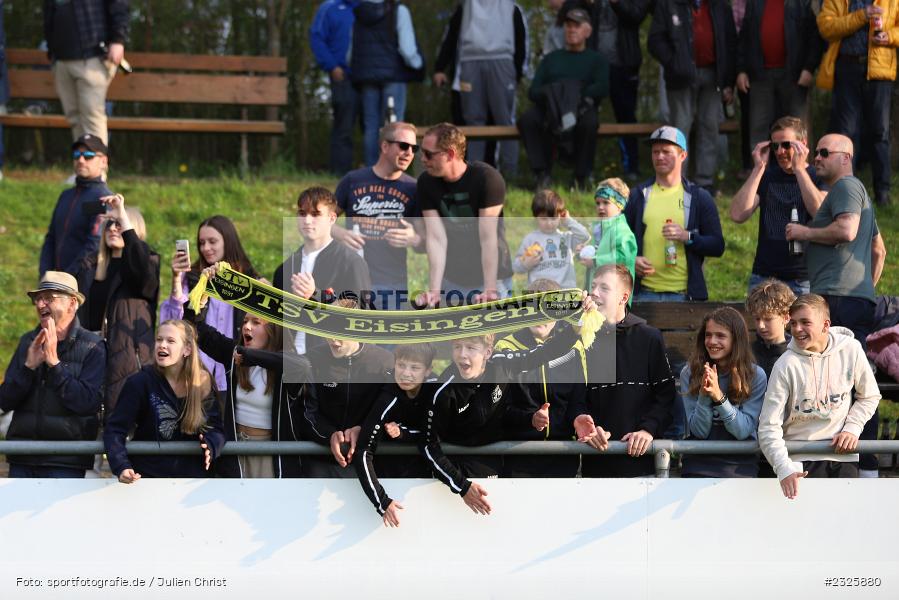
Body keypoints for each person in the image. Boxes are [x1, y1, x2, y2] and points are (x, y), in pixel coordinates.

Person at [423, 296, 595, 514]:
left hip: (494, 465)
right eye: (457, 347)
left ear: (487, 352)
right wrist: (462, 486)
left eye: (470, 347)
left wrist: (576, 323)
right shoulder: (442, 391)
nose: (462, 354)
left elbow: (543, 353)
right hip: (455, 475)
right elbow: (428, 446)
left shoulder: (502, 364)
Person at [785, 132, 886, 476]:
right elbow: (879, 250)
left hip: (838, 299)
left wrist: (804, 233)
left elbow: (846, 231)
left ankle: (859, 467)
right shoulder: (852, 192)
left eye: (824, 152)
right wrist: (864, 288)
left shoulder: (846, 185)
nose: (817, 157)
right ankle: (863, 467)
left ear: (846, 157)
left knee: (845, 382)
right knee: (852, 381)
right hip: (849, 298)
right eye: (816, 152)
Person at [184, 273, 311, 478]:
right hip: (235, 452)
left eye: (255, 322)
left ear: (273, 329)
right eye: (245, 321)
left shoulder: (282, 363)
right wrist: (204, 292)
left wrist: (251, 356)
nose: (246, 326)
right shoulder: (235, 354)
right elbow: (196, 330)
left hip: (272, 456)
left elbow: (302, 365)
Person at [758, 294, 880, 499]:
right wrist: (783, 467)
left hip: (842, 456)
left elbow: (870, 396)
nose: (797, 329)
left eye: (805, 322)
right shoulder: (785, 365)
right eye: (793, 323)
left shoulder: (851, 349)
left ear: (825, 325)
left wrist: (852, 427)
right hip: (798, 461)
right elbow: (768, 426)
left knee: (843, 518)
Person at [572, 264, 676, 477]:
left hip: (642, 465)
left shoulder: (649, 337)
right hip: (596, 464)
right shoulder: (580, 337)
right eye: (593, 286)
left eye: (604, 288)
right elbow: (574, 397)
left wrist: (648, 429)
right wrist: (586, 426)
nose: (595, 293)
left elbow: (666, 395)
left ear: (623, 297)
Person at [0, 272, 105, 477]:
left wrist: (55, 365)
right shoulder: (28, 341)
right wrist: (28, 368)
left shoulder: (93, 346)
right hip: (23, 457)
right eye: (38, 299)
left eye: (49, 298)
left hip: (67, 460)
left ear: (72, 303)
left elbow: (88, 403)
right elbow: (4, 400)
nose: (40, 305)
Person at [104, 320, 225, 481]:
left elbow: (216, 428)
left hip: (192, 484)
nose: (162, 345)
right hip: (147, 479)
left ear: (187, 349)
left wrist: (212, 444)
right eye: (159, 339)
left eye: (170, 341)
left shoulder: (202, 382)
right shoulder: (139, 382)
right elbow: (115, 429)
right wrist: (121, 465)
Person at [73, 193, 159, 415]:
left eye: (119, 224)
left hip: (128, 358)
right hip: (90, 353)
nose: (112, 228)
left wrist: (122, 214)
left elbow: (143, 275)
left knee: (121, 420)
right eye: (110, 223)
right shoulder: (90, 266)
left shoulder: (146, 264)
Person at [496, 279, 588, 478]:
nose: (540, 317)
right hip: (518, 454)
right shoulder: (505, 347)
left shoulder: (575, 346)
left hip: (563, 455)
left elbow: (577, 400)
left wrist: (579, 418)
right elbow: (500, 408)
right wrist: (530, 419)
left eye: (548, 311)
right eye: (534, 309)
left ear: (560, 313)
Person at [160, 215, 261, 397]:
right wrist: (176, 279)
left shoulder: (249, 281)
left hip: (235, 369)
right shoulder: (193, 278)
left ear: (228, 241)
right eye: (201, 243)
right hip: (196, 373)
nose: (205, 248)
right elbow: (175, 324)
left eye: (212, 241)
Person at [624, 126, 725, 302]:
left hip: (685, 295)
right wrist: (631, 261)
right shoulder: (637, 195)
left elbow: (717, 246)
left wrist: (688, 236)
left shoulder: (699, 197)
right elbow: (618, 240)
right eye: (655, 152)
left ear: (683, 155)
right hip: (642, 293)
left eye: (666, 151)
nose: (660, 156)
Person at [417, 123, 513, 306]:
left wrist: (490, 289)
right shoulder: (425, 182)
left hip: (493, 278)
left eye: (429, 154)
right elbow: (436, 238)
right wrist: (434, 290)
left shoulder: (487, 179)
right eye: (422, 152)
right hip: (453, 279)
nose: (422, 159)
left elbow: (488, 239)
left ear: (450, 154)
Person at [729, 116, 826, 296]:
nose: (780, 151)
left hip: (803, 279)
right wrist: (758, 169)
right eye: (775, 146)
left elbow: (820, 213)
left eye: (786, 145)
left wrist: (799, 169)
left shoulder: (817, 176)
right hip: (764, 277)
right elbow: (737, 214)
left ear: (803, 144)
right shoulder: (767, 176)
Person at [333, 121, 424, 310]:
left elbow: (429, 241)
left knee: (388, 332)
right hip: (351, 281)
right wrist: (340, 233)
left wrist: (414, 238)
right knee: (347, 331)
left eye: (414, 148)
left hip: (392, 285)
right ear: (385, 146)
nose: (409, 153)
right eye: (403, 146)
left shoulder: (414, 188)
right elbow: (321, 221)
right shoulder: (353, 180)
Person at [648, 0, 737, 195]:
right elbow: (655, 41)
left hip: (713, 75)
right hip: (680, 77)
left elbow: (730, 43)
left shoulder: (720, 6)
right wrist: (674, 63)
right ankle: (676, 182)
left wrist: (728, 81)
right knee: (679, 128)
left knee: (709, 126)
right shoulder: (668, 4)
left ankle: (705, 182)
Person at [432, 0, 528, 176]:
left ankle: (510, 172)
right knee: (473, 120)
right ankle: (473, 172)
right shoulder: (465, 7)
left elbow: (521, 40)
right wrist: (440, 67)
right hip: (470, 62)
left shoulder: (511, 8)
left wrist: (518, 73)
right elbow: (451, 36)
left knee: (504, 119)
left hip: (502, 61)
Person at [817, 0, 898, 206]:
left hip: (879, 72)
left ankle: (883, 193)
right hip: (846, 68)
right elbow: (826, 27)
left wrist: (890, 36)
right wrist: (862, 15)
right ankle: (846, 191)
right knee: (846, 133)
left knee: (880, 132)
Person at [518, 7, 609, 190]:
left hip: (581, 108)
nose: (571, 29)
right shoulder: (551, 59)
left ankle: (580, 177)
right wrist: (553, 95)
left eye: (577, 25)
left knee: (590, 123)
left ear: (588, 31)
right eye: (568, 25)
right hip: (550, 108)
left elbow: (603, 87)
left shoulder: (596, 59)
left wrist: (576, 94)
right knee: (527, 120)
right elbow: (533, 90)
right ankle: (541, 174)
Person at [301, 299, 394, 478]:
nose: (333, 340)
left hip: (373, 465)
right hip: (322, 462)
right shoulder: (312, 359)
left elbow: (394, 415)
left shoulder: (385, 362)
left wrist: (365, 430)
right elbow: (305, 413)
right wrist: (329, 435)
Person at [273, 187, 373, 354]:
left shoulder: (351, 263)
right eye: (302, 213)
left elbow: (362, 317)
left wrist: (315, 295)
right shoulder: (285, 268)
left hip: (331, 359)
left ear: (332, 218)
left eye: (315, 214)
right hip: (288, 358)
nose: (307, 220)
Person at [355, 343, 436, 526]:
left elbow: (437, 436)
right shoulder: (387, 398)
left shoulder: (436, 390)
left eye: (415, 367)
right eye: (401, 365)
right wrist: (382, 502)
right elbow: (363, 452)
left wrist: (403, 434)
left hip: (430, 485)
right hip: (392, 483)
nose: (406, 373)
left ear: (428, 370)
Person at [680, 307, 767, 477]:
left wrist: (719, 397)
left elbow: (743, 431)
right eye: (708, 335)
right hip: (698, 464)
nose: (712, 341)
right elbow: (699, 432)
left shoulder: (755, 375)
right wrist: (704, 396)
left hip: (739, 466)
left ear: (736, 340)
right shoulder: (690, 373)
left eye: (720, 336)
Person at [735, 0, 824, 147]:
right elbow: (744, 38)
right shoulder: (754, 3)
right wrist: (741, 70)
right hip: (760, 77)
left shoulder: (800, 3)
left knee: (795, 130)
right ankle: (760, 163)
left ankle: (798, 163)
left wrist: (809, 68)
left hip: (794, 77)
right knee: (758, 131)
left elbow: (814, 37)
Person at [43, 0, 129, 145]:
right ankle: (82, 159)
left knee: (92, 118)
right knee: (74, 119)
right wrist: (53, 53)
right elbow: (49, 12)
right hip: (61, 59)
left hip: (92, 57)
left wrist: (118, 40)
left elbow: (118, 5)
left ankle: (96, 160)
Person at [350, 0, 424, 167]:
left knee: (371, 126)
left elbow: (351, 47)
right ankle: (393, 170)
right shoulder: (399, 10)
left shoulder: (359, 12)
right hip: (393, 76)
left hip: (367, 77)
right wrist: (418, 64)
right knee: (395, 126)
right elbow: (407, 49)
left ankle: (372, 170)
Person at [39, 134, 113, 276]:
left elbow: (94, 244)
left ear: (103, 161)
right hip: (56, 281)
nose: (81, 160)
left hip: (83, 282)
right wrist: (45, 274)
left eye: (88, 156)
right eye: (76, 155)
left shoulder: (102, 198)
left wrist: (68, 277)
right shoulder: (65, 195)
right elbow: (51, 237)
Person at [310, 0, 360, 176]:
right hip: (342, 76)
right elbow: (316, 37)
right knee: (343, 127)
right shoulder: (329, 8)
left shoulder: (372, 7)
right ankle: (340, 174)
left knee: (375, 129)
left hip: (370, 78)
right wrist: (332, 66)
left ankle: (376, 176)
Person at [512, 189, 590, 289]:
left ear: (560, 216)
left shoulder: (566, 238)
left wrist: (568, 221)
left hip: (565, 292)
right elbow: (516, 267)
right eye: (543, 218)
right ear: (536, 217)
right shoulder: (530, 239)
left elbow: (585, 236)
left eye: (553, 218)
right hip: (539, 293)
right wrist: (525, 264)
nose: (549, 223)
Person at [580, 178, 637, 287]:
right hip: (596, 290)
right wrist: (585, 251)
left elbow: (624, 258)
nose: (600, 207)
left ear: (619, 205)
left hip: (615, 291)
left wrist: (596, 262)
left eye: (606, 202)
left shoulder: (621, 230)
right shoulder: (599, 229)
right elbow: (598, 251)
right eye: (598, 203)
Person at [745, 278, 796, 378]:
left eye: (768, 319)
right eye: (757, 319)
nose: (761, 325)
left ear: (786, 318)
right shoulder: (748, 353)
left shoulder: (795, 354)